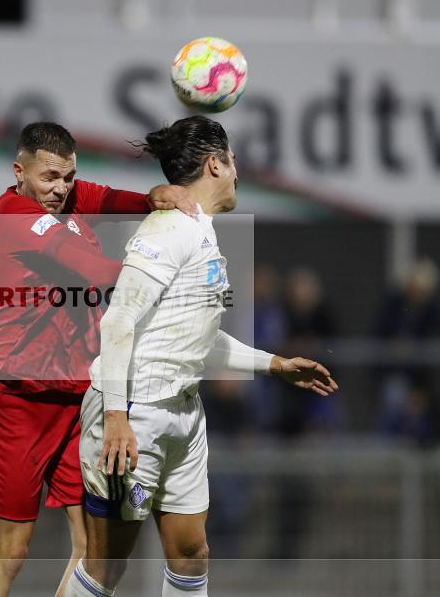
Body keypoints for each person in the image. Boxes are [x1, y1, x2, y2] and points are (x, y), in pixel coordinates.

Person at [64, 116, 338, 597]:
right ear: (215, 163)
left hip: (185, 414)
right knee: (106, 566)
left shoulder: (201, 232)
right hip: (135, 411)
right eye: (232, 161)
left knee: (192, 555)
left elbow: (195, 340)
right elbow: (118, 320)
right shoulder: (169, 227)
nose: (237, 172)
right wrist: (115, 417)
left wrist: (275, 364)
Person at [0, 121, 194, 597]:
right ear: (19, 172)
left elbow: (112, 198)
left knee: (92, 548)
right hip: (20, 399)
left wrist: (155, 197)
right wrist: (157, 279)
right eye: (49, 177)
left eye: (68, 177)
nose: (60, 189)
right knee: (11, 551)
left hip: (78, 399)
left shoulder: (71, 198)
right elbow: (87, 267)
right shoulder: (13, 211)